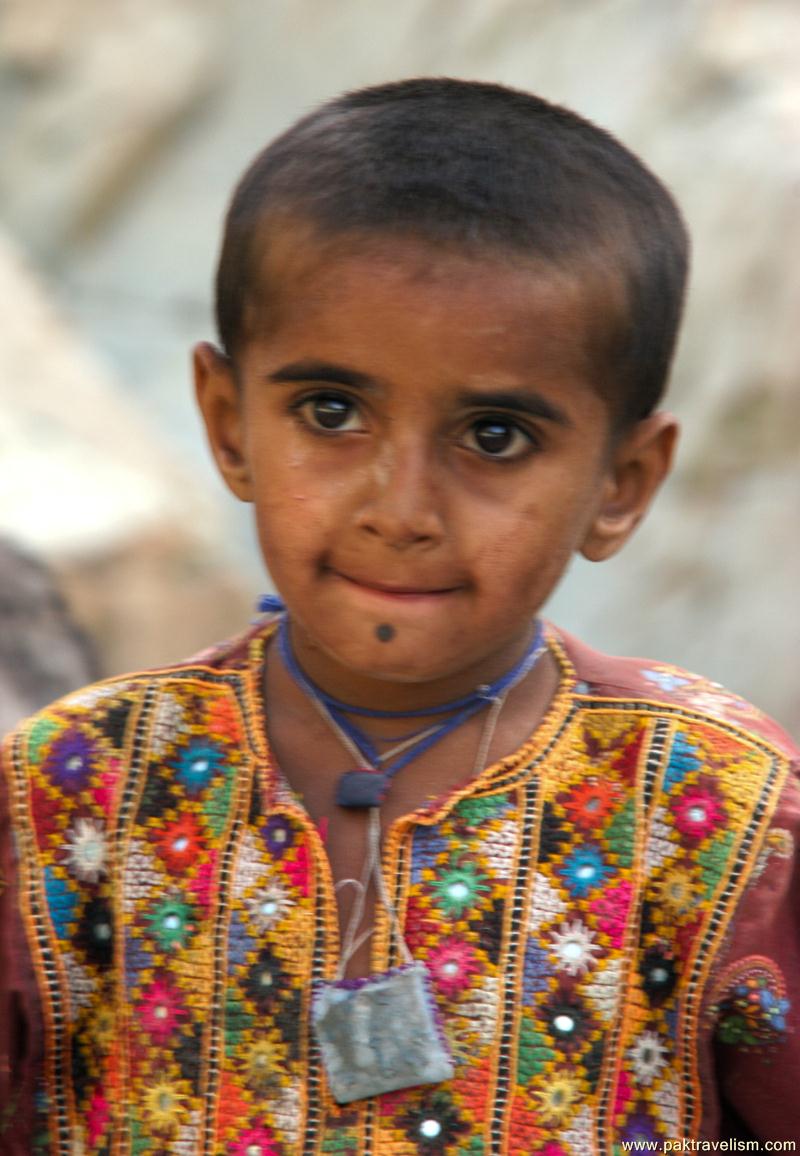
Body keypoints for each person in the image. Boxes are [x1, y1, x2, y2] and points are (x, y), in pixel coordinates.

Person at [1, 78, 797, 1154]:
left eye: (496, 435)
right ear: (229, 425)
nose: (401, 508)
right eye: (330, 413)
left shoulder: (721, 806)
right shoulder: (73, 786)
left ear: (622, 481)